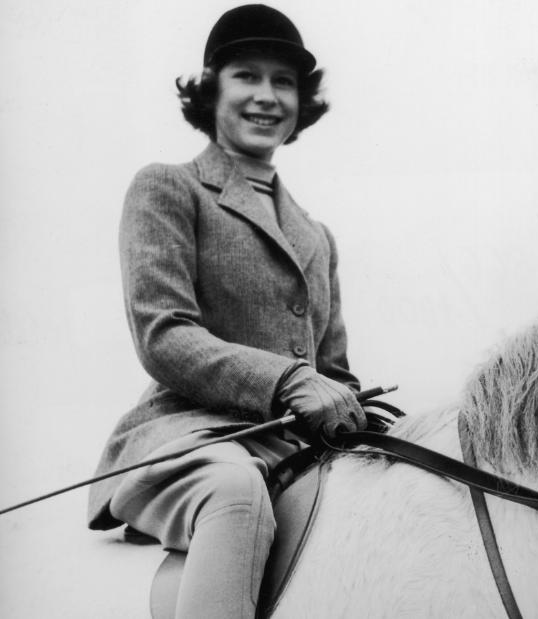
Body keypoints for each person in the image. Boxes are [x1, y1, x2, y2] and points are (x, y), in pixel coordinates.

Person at [86, 5, 367, 618]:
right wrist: (289, 381)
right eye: (248, 76)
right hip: (192, 439)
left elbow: (334, 370)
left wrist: (356, 412)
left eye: (284, 81)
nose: (267, 96)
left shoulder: (316, 236)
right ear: (213, 88)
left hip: (294, 449)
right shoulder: (168, 187)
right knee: (235, 492)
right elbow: (164, 333)